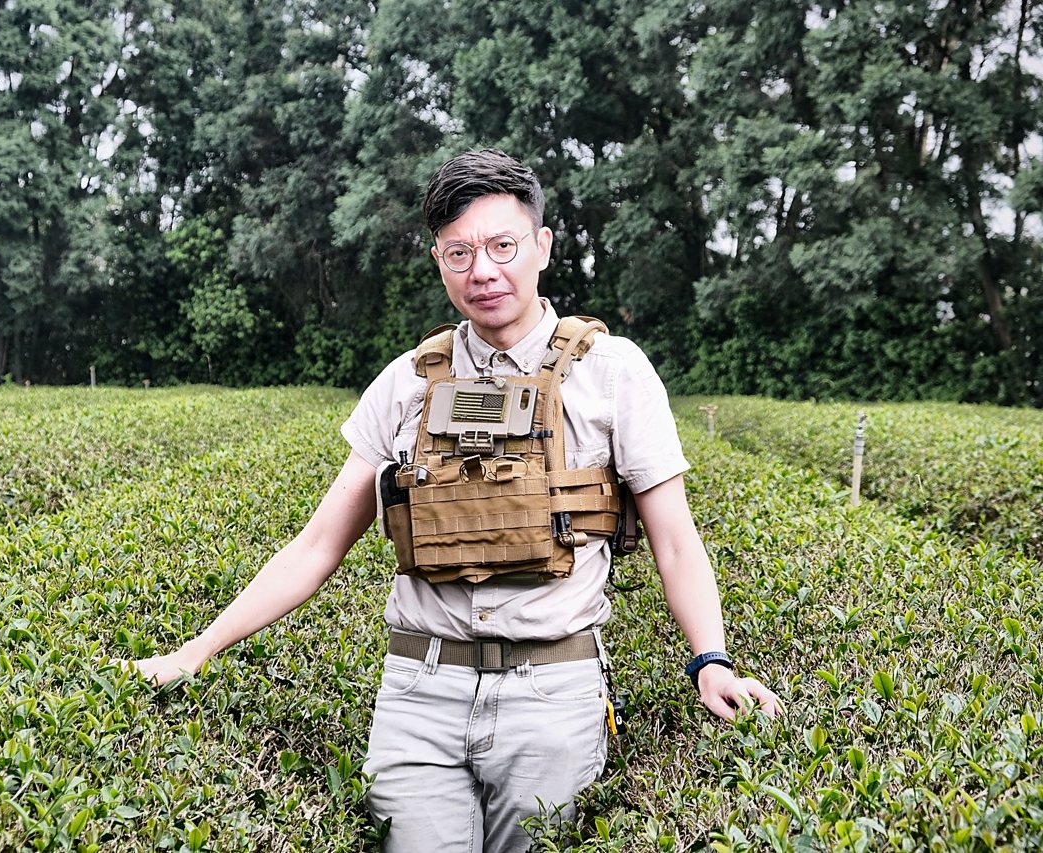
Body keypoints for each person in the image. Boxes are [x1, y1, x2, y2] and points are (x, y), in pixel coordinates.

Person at [132, 148, 781, 851]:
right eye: (459, 251)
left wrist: (709, 658)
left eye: (502, 245)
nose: (483, 269)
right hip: (420, 691)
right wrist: (197, 650)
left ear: (542, 247)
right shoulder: (408, 381)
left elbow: (676, 540)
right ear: (439, 260)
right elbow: (317, 544)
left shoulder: (613, 373)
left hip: (553, 694)